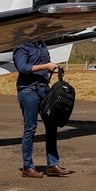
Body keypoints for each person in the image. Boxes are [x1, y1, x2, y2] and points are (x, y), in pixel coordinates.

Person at [12, 40, 72, 178]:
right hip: (28, 91)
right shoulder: (21, 46)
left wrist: (54, 69)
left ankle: (52, 165)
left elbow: (46, 62)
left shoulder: (42, 45)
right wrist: (46, 66)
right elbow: (22, 67)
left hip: (44, 89)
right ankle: (28, 167)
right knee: (30, 128)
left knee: (52, 125)